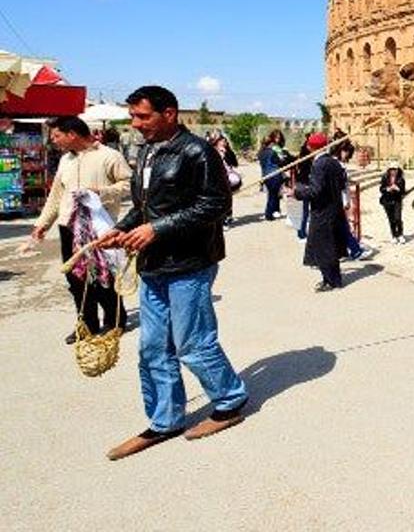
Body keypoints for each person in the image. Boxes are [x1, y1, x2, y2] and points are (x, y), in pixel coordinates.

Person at [96, 86, 247, 460]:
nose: (135, 124)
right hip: (154, 264)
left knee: (193, 342)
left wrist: (157, 230)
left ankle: (229, 400)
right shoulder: (147, 151)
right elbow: (146, 206)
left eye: (143, 117)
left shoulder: (197, 151)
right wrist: (124, 228)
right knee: (152, 347)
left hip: (190, 263)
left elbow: (216, 204)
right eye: (133, 117)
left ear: (170, 113)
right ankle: (165, 419)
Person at [31, 116, 132, 342]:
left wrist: (100, 192)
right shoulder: (66, 160)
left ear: (72, 134)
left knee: (102, 276)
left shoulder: (110, 156)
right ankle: (87, 323)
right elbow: (56, 195)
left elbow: (128, 184)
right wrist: (42, 225)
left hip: (98, 228)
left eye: (56, 136)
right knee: (75, 279)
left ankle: (115, 320)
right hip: (69, 228)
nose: (53, 141)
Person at [291, 132, 349, 291]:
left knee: (323, 247)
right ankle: (334, 279)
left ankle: (330, 281)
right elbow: (341, 183)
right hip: (334, 209)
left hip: (322, 211)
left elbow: (315, 191)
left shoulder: (319, 164)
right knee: (331, 246)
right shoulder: (334, 163)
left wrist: (296, 193)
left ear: (311, 147)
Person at [257, 130, 285, 221]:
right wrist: (282, 158)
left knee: (271, 195)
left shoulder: (261, 152)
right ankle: (269, 214)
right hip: (274, 175)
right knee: (273, 195)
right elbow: (279, 162)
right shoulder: (272, 152)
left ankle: (272, 211)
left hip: (266, 175)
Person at [379, 165, 406, 242]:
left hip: (397, 200)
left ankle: (400, 234)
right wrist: (387, 189)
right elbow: (381, 189)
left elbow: (403, 192)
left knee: (398, 218)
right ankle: (394, 235)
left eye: (395, 169)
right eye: (391, 169)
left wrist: (398, 189)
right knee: (391, 219)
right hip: (387, 200)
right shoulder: (385, 178)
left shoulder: (401, 179)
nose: (393, 171)